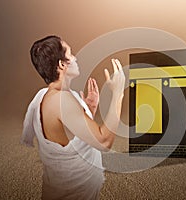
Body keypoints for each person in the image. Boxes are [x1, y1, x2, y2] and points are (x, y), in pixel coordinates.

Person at [21, 35, 125, 200]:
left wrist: (89, 109)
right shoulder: (62, 101)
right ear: (62, 64)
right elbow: (104, 141)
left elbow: (66, 132)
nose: (75, 58)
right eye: (71, 54)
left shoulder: (47, 96)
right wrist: (118, 92)